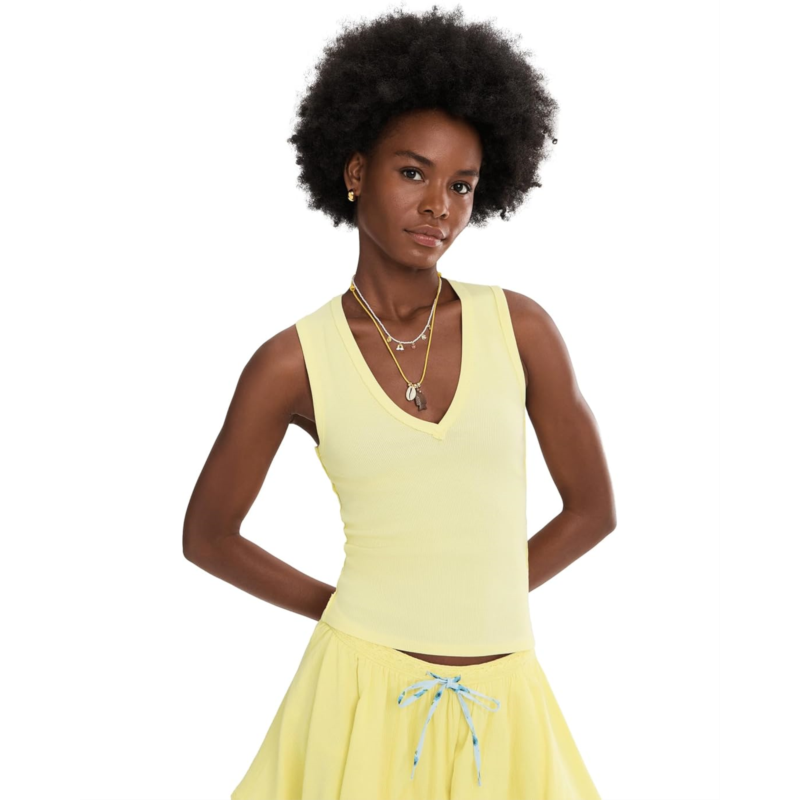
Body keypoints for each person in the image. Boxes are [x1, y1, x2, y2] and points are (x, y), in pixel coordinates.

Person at [183, 6, 616, 799]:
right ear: (355, 172)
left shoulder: (520, 328)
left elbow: (593, 510)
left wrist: (477, 597)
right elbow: (207, 537)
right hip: (357, 695)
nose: (439, 206)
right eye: (413, 173)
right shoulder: (290, 363)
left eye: (462, 185)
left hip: (504, 701)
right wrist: (345, 610)